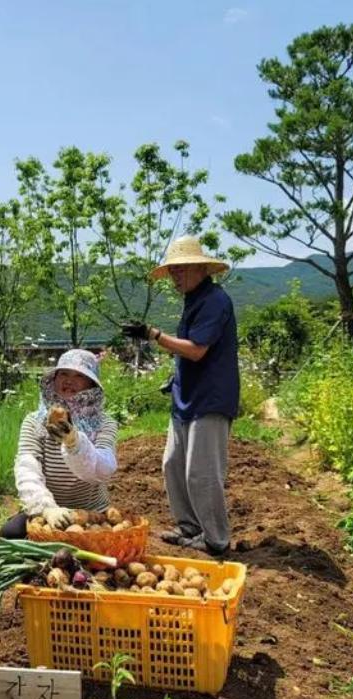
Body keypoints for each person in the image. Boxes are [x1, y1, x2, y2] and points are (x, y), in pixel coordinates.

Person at [122, 235, 239, 556]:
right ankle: (189, 527)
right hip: (186, 396)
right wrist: (175, 378)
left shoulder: (215, 300)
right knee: (172, 464)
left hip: (210, 400)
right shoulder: (194, 300)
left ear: (201, 267)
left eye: (181, 269)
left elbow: (198, 351)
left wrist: (153, 335)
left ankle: (216, 539)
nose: (175, 276)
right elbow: (191, 353)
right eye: (172, 270)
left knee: (201, 473)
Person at [0, 349, 118, 539]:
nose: (69, 380)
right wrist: (46, 508)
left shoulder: (105, 424)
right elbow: (27, 468)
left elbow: (103, 470)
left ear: (91, 384)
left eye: (79, 375)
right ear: (53, 379)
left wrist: (74, 443)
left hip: (92, 513)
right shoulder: (35, 421)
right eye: (63, 373)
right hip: (50, 512)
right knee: (9, 533)